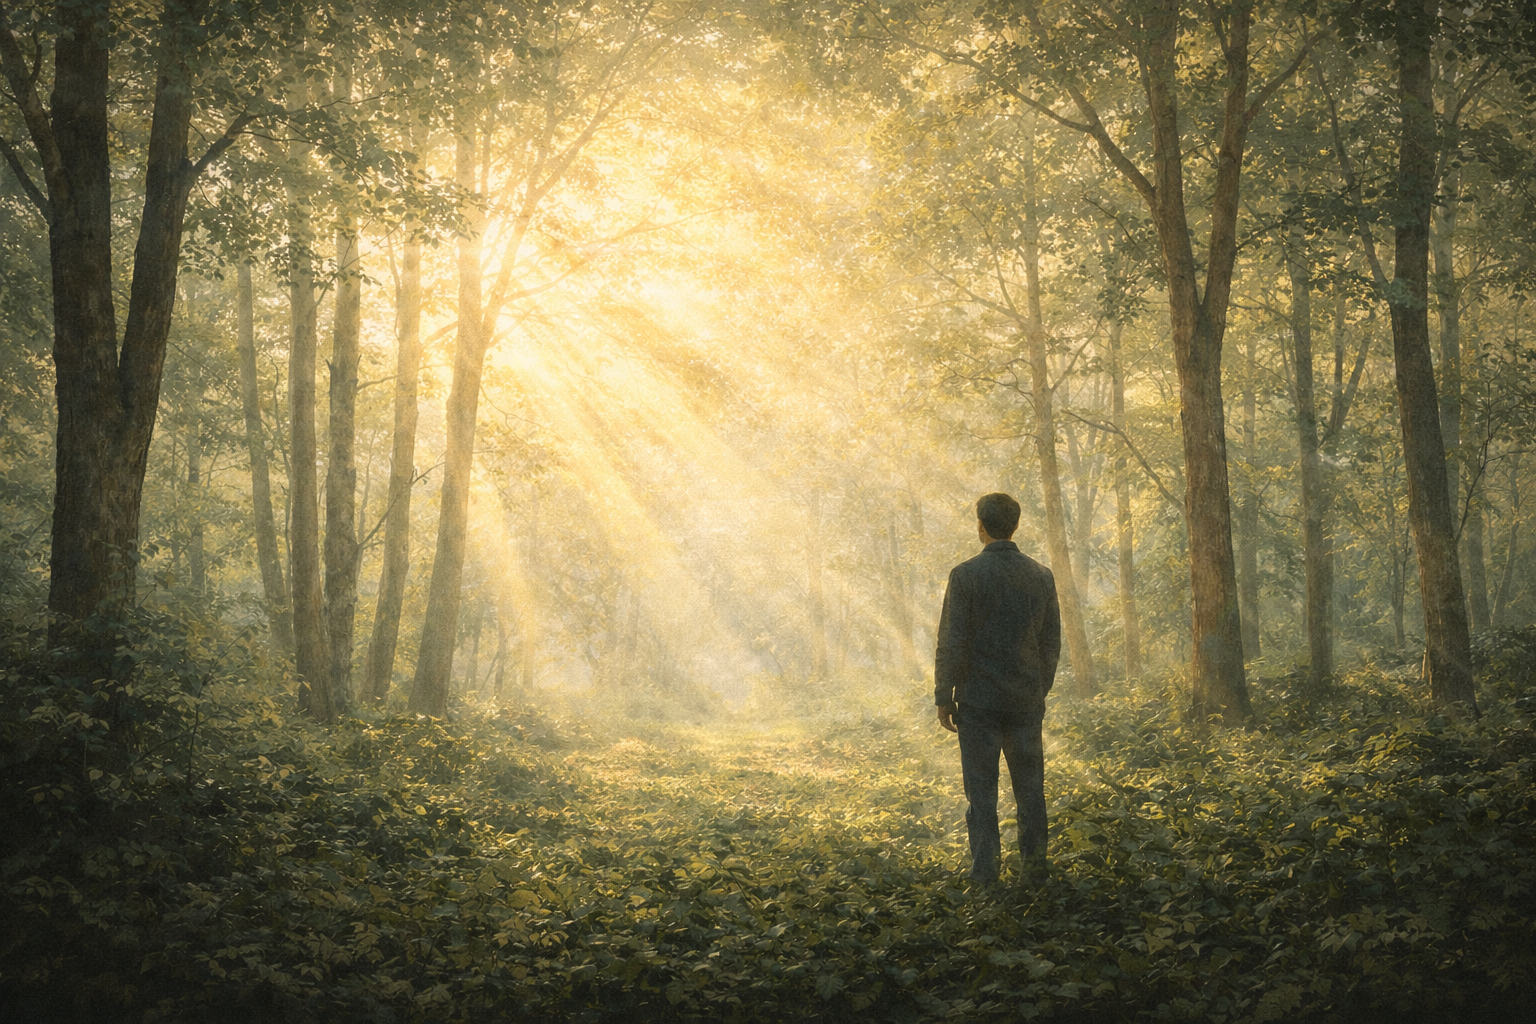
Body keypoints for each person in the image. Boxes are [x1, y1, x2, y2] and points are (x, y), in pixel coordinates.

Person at [934, 492, 1061, 885]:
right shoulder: (1040, 575)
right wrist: (1038, 689)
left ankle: (985, 875)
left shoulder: (965, 575)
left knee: (982, 795)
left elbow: (951, 641)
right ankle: (1034, 872)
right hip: (1025, 701)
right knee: (1030, 793)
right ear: (1015, 525)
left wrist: (944, 694)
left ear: (981, 526)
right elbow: (1050, 642)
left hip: (978, 704)